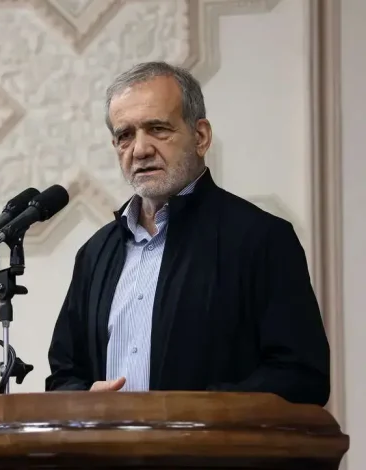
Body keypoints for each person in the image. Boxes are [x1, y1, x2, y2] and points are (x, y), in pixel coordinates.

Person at [44, 61, 330, 406]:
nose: (140, 149)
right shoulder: (95, 254)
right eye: (125, 136)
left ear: (201, 137)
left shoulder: (262, 239)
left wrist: (198, 409)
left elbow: (302, 376)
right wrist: (83, 400)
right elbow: (63, 376)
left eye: (157, 129)